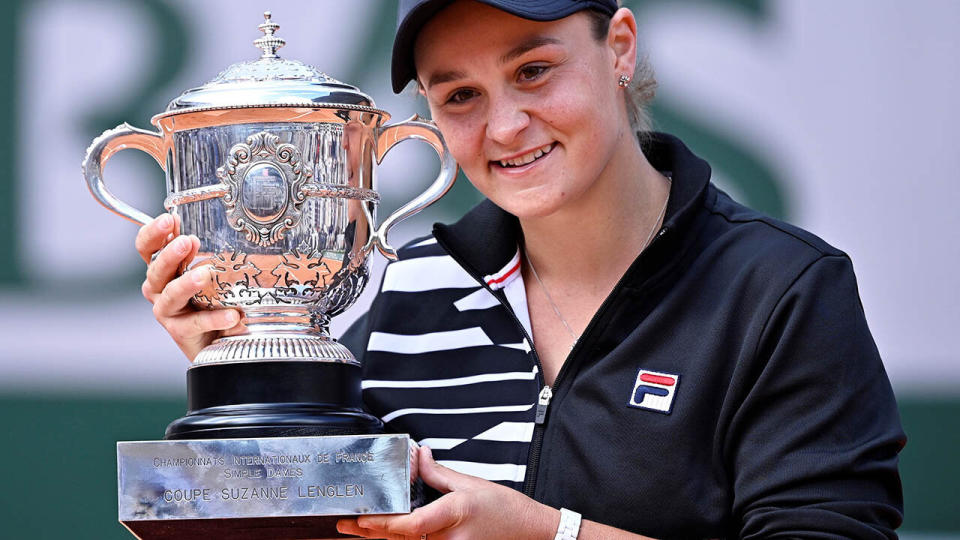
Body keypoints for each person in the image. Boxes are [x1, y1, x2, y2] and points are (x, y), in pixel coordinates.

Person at [136, 0, 905, 538]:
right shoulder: (410, 295)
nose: (505, 126)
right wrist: (245, 370)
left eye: (533, 71)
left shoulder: (782, 291)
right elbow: (309, 525)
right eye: (461, 94)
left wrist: (549, 537)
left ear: (621, 47)